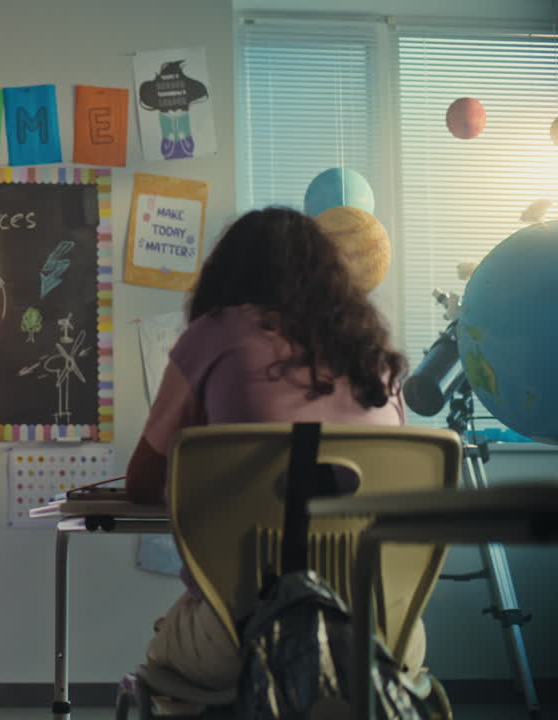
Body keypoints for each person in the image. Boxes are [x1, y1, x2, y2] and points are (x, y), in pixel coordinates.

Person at [123, 207, 417, 692]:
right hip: (377, 633)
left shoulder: (213, 335)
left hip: (241, 636)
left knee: (162, 649)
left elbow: (141, 484)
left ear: (225, 278)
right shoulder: (376, 357)